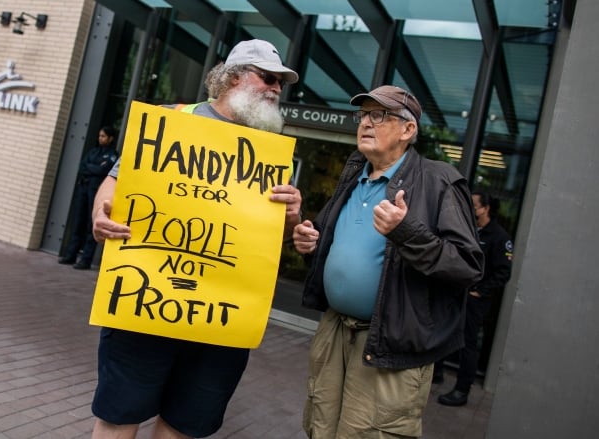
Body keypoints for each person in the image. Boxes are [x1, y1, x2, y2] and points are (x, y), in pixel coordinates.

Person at [88, 39, 302, 439]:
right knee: (120, 412)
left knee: (186, 423)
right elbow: (114, 183)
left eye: (280, 83)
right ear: (233, 77)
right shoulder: (172, 120)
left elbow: (279, 235)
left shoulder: (273, 154)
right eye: (268, 78)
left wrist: (293, 217)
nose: (276, 89)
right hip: (146, 301)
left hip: (221, 319)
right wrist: (101, 213)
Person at [292, 85, 484, 438]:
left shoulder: (438, 181)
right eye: (363, 115)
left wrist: (406, 231)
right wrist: (310, 243)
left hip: (390, 344)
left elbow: (468, 266)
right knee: (320, 427)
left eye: (379, 115)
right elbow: (334, 245)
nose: (366, 123)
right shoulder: (354, 175)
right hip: (335, 333)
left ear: (408, 130)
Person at [436, 191, 513, 406]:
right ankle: (437, 373)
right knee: (444, 332)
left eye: (473, 204)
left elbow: (503, 273)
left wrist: (480, 290)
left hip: (475, 300)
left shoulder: (499, 237)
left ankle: (462, 390)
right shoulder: (468, 229)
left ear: (485, 209)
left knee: (468, 344)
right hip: (457, 294)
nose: (469, 208)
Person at [58, 126, 119, 269]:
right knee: (78, 222)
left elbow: (104, 170)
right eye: (100, 136)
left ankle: (86, 260)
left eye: (103, 136)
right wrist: (95, 168)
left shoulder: (112, 155)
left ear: (110, 138)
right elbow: (83, 166)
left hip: (96, 191)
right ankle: (70, 255)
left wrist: (93, 168)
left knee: (92, 224)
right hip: (84, 188)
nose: (101, 138)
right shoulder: (93, 151)